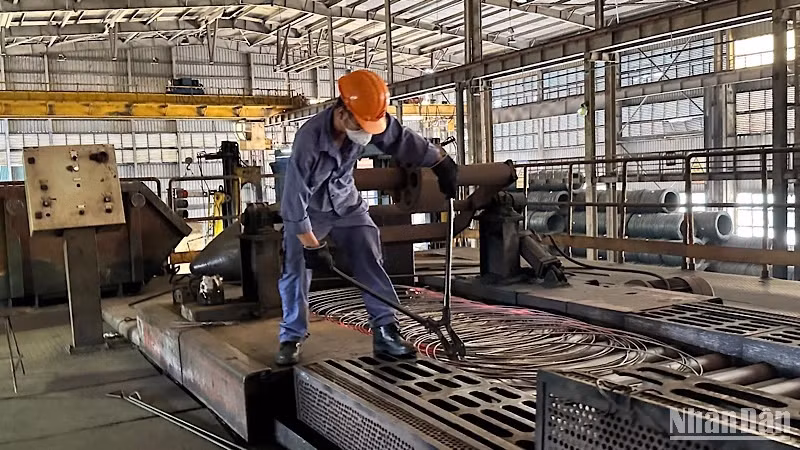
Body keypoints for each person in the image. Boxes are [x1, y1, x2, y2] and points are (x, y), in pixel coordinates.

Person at [276, 70, 459, 366]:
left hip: (347, 204)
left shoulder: (368, 117)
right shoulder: (308, 140)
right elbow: (293, 203)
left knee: (369, 254)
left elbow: (401, 140)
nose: (366, 132)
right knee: (295, 269)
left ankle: (385, 332)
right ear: (342, 111)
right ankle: (291, 336)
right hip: (311, 211)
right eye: (360, 125)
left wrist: (440, 161)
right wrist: (311, 244)